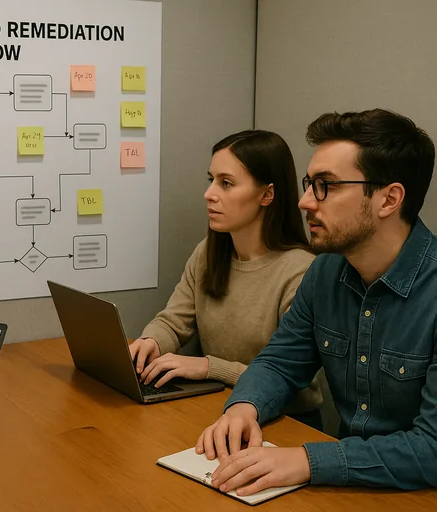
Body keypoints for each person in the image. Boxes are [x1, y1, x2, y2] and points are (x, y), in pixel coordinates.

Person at [197, 108, 437, 495]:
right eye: (309, 183)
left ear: (389, 199)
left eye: (326, 185)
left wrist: (307, 460)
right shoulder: (325, 272)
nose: (305, 202)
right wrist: (244, 407)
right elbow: (279, 361)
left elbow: (432, 449)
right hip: (345, 488)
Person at [130, 130, 323, 429]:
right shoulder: (209, 251)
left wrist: (209, 367)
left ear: (267, 194)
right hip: (217, 409)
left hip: (284, 423)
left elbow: (294, 383)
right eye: (212, 180)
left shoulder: (302, 272)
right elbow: (174, 321)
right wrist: (150, 342)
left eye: (226, 183)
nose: (209, 194)